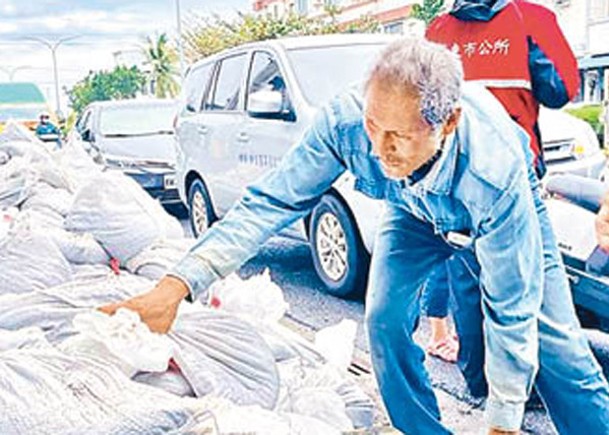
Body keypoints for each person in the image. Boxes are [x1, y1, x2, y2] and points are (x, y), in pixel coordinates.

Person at [101, 38, 609, 434]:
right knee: (384, 319)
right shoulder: (344, 123)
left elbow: (509, 308)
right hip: (411, 209)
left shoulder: (493, 170)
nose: (380, 148)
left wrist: (502, 424)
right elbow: (271, 201)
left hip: (498, 209)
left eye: (399, 136)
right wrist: (176, 285)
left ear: (447, 123)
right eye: (373, 127)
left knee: (556, 347)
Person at [425, 0, 580, 379]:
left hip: (452, 175)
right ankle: (528, 383)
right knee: (526, 280)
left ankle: (479, 379)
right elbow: (562, 89)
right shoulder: (532, 18)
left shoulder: (437, 31)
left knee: (466, 273)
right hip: (512, 174)